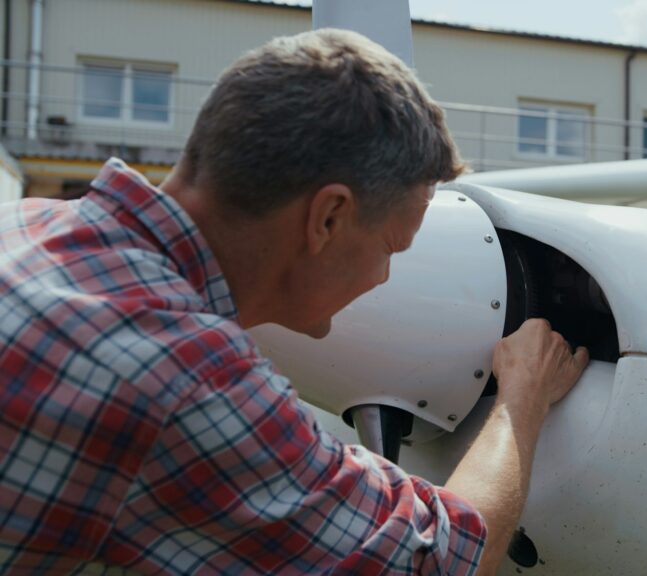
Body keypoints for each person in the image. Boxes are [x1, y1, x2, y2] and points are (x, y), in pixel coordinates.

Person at [0, 29, 588, 575]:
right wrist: (521, 399)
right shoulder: (188, 378)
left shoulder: (21, 224)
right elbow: (439, 560)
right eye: (391, 249)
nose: (386, 279)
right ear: (328, 217)